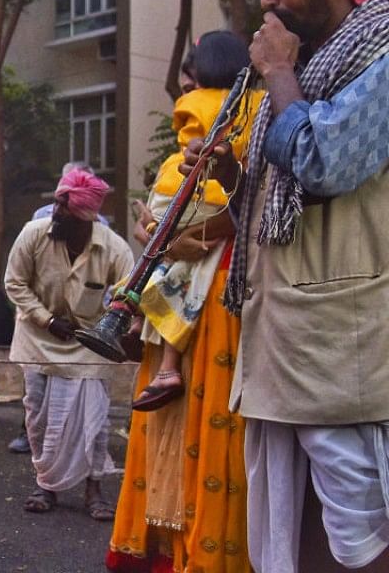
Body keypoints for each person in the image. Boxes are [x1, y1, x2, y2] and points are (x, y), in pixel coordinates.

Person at [190, 0, 389, 573]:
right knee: (294, 535)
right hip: (285, 346)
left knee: (363, 542)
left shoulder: (380, 57)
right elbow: (290, 203)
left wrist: (278, 73)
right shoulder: (312, 68)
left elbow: (323, 161)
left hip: (345, 351)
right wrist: (235, 178)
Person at [107, 30, 261, 572]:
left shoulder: (199, 114)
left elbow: (172, 204)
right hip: (236, 283)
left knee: (174, 413)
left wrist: (162, 231)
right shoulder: (261, 112)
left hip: (196, 279)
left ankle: (170, 551)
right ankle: (216, 550)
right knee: (220, 427)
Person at [5, 167, 133, 521]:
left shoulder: (114, 248)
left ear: (86, 218)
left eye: (66, 209)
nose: (57, 213)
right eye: (58, 204)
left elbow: (130, 292)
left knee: (95, 419)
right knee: (38, 415)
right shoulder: (33, 234)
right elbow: (14, 284)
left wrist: (115, 323)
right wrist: (47, 320)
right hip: (37, 336)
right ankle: (45, 484)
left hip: (89, 343)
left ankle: (94, 488)